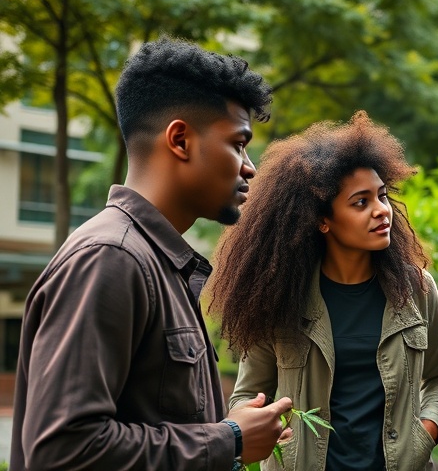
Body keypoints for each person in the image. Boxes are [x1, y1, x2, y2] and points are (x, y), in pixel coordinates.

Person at [10, 38, 293, 470]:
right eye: (238, 144)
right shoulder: (111, 258)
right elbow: (62, 450)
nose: (249, 166)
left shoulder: (159, 264)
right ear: (180, 139)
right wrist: (227, 439)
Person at [208, 110, 438, 471]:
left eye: (382, 196)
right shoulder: (280, 297)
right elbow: (246, 394)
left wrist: (426, 432)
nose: (382, 211)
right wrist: (276, 435)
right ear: (322, 220)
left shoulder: (415, 289)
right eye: (361, 202)